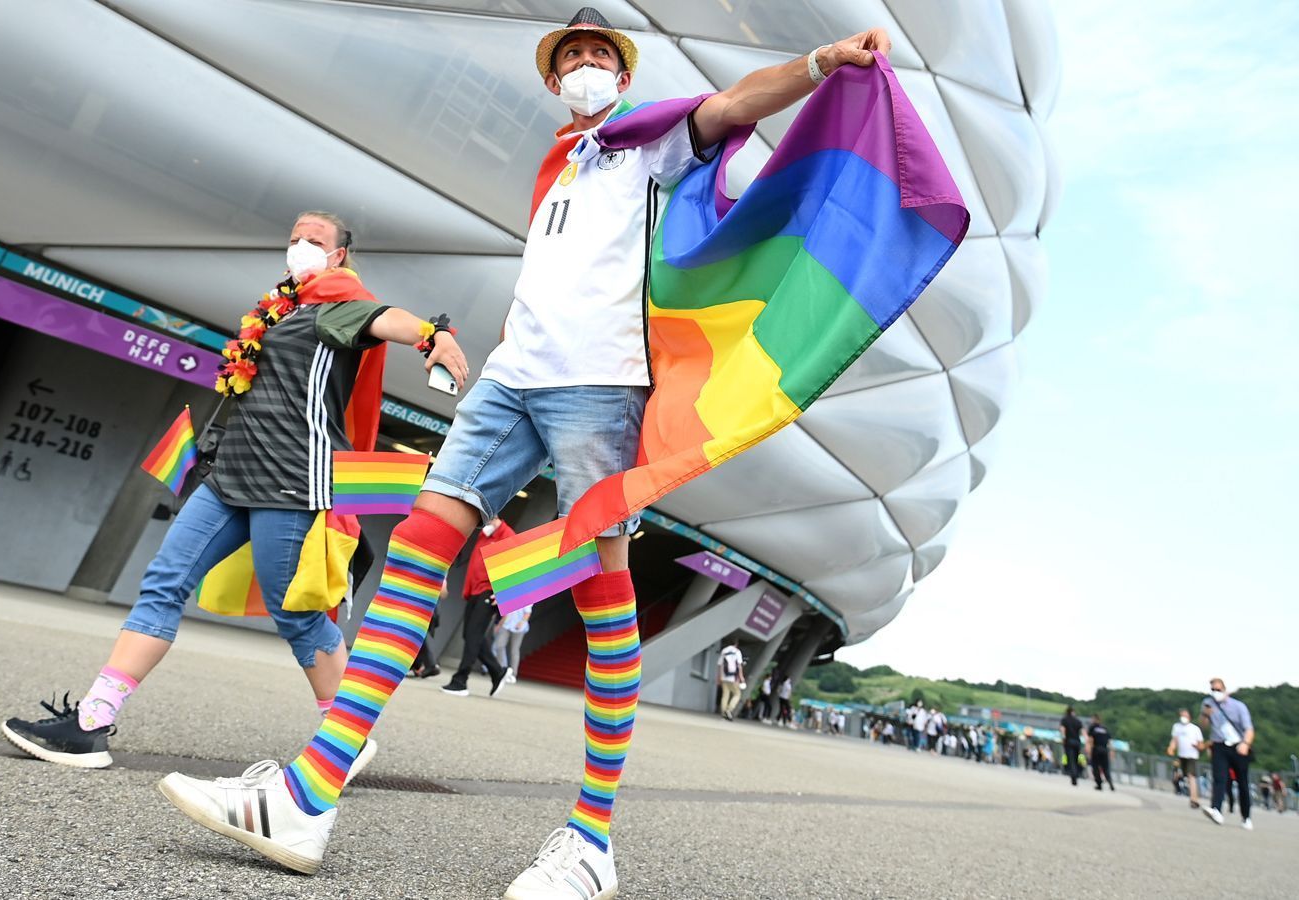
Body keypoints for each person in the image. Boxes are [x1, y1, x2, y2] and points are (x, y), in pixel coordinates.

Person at [152, 9, 896, 893]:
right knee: (422, 540)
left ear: (622, 74)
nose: (585, 66)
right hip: (512, 378)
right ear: (554, 79)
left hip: (601, 386)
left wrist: (818, 62)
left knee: (600, 587)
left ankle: (590, 844)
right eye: (571, 56)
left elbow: (737, 103)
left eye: (599, 55)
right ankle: (308, 797)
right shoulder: (559, 166)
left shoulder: (654, 144)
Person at [0, 211, 468, 770]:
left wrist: (431, 334)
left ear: (339, 254)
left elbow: (385, 319)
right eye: (294, 237)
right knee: (163, 583)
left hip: (290, 482)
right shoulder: (280, 308)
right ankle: (93, 722)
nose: (300, 246)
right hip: (230, 476)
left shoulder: (338, 306)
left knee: (295, 613)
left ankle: (345, 736)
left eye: (315, 241)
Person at [441, 517, 517, 697]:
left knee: (473, 635)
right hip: (474, 592)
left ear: (496, 517)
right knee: (470, 635)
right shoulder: (484, 535)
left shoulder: (508, 536)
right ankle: (497, 671)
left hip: (490, 592)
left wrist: (504, 594)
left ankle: (460, 681)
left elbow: (515, 567)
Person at [1200, 677, 1256, 829]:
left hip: (1238, 746)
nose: (1215, 693)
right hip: (1219, 745)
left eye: (1218, 690)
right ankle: (1216, 810)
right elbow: (1203, 727)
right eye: (1213, 690)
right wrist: (1205, 714)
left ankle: (1246, 816)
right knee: (1219, 778)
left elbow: (1249, 729)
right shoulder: (1207, 703)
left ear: (1225, 690)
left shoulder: (1238, 706)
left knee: (1242, 783)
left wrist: (1245, 743)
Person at [1166, 707, 1204, 809]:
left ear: (1189, 717)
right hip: (1181, 755)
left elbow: (1201, 745)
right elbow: (1174, 740)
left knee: (1191, 776)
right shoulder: (1177, 727)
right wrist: (1171, 747)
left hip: (1191, 756)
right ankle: (1178, 788)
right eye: (1182, 715)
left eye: (1185, 715)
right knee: (1178, 774)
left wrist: (1197, 746)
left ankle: (1194, 799)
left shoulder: (1195, 729)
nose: (1183, 718)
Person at [496, 602, 532, 684]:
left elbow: (527, 613)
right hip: (506, 624)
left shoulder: (527, 598)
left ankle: (513, 674)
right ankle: (503, 669)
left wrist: (522, 622)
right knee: (499, 645)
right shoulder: (511, 596)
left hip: (519, 627)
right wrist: (500, 624)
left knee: (514, 650)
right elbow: (506, 612)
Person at [716, 639, 745, 720]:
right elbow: (739, 666)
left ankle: (723, 712)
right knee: (737, 694)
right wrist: (741, 677)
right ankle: (729, 709)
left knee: (725, 695)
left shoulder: (724, 651)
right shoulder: (737, 651)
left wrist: (718, 677)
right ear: (736, 644)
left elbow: (720, 665)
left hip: (724, 677)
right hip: (733, 677)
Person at [1086, 713, 1115, 791]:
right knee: (1106, 768)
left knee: (1095, 767)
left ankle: (1099, 784)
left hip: (1096, 750)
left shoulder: (1093, 727)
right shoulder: (1105, 728)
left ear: (1095, 719)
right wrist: (1112, 751)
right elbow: (1109, 741)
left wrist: (1089, 750)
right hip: (1105, 750)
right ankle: (1110, 782)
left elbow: (1091, 739)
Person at [1060, 706, 1084, 786]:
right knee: (1076, 758)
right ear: (1073, 712)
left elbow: (1063, 729)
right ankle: (1076, 773)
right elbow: (1083, 731)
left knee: (1071, 759)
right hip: (1077, 742)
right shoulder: (1078, 721)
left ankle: (1073, 775)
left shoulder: (1064, 719)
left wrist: (1063, 738)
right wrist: (1087, 741)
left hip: (1069, 742)